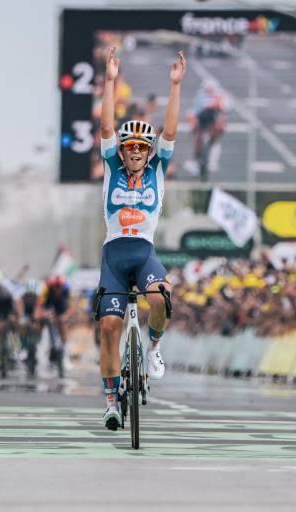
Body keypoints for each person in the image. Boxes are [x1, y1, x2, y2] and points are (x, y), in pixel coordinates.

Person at [96, 46, 186, 431]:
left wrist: (174, 85)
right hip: (115, 254)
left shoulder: (158, 168)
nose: (134, 151)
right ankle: (112, 400)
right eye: (129, 146)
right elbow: (104, 127)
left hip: (144, 251)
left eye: (140, 147)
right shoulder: (111, 164)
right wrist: (111, 81)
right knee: (108, 328)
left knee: (161, 297)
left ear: (149, 152)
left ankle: (153, 348)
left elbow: (170, 129)